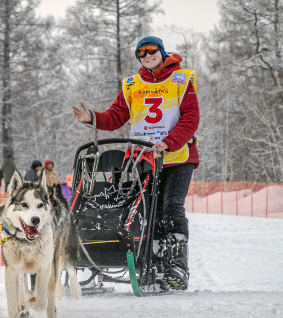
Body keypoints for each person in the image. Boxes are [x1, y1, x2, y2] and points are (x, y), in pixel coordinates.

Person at [72, 35, 199, 291]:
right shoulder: (132, 84)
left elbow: (190, 117)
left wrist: (169, 141)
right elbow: (117, 116)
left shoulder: (181, 79)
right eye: (141, 53)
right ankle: (152, 261)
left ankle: (176, 265)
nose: (146, 55)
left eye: (151, 50)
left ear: (162, 52)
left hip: (176, 157)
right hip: (143, 160)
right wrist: (92, 117)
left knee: (171, 208)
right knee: (147, 211)